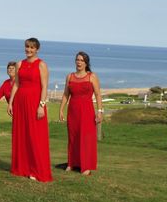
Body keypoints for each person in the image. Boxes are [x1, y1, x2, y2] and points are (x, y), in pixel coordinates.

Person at [7, 37, 52, 182]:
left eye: (32, 47)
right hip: (20, 103)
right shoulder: (20, 64)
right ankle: (22, 168)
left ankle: (36, 169)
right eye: (27, 47)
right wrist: (10, 103)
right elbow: (16, 84)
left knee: (35, 136)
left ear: (37, 49)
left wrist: (41, 105)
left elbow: (45, 87)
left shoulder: (42, 65)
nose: (29, 50)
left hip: (34, 104)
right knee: (22, 134)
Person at [59, 51, 103, 176]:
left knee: (87, 138)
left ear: (86, 63)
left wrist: (99, 112)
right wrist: (61, 109)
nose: (79, 62)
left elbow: (98, 95)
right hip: (73, 111)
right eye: (77, 60)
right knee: (73, 137)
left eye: (82, 60)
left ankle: (87, 166)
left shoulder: (92, 76)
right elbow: (66, 94)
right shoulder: (70, 76)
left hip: (87, 111)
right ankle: (71, 163)